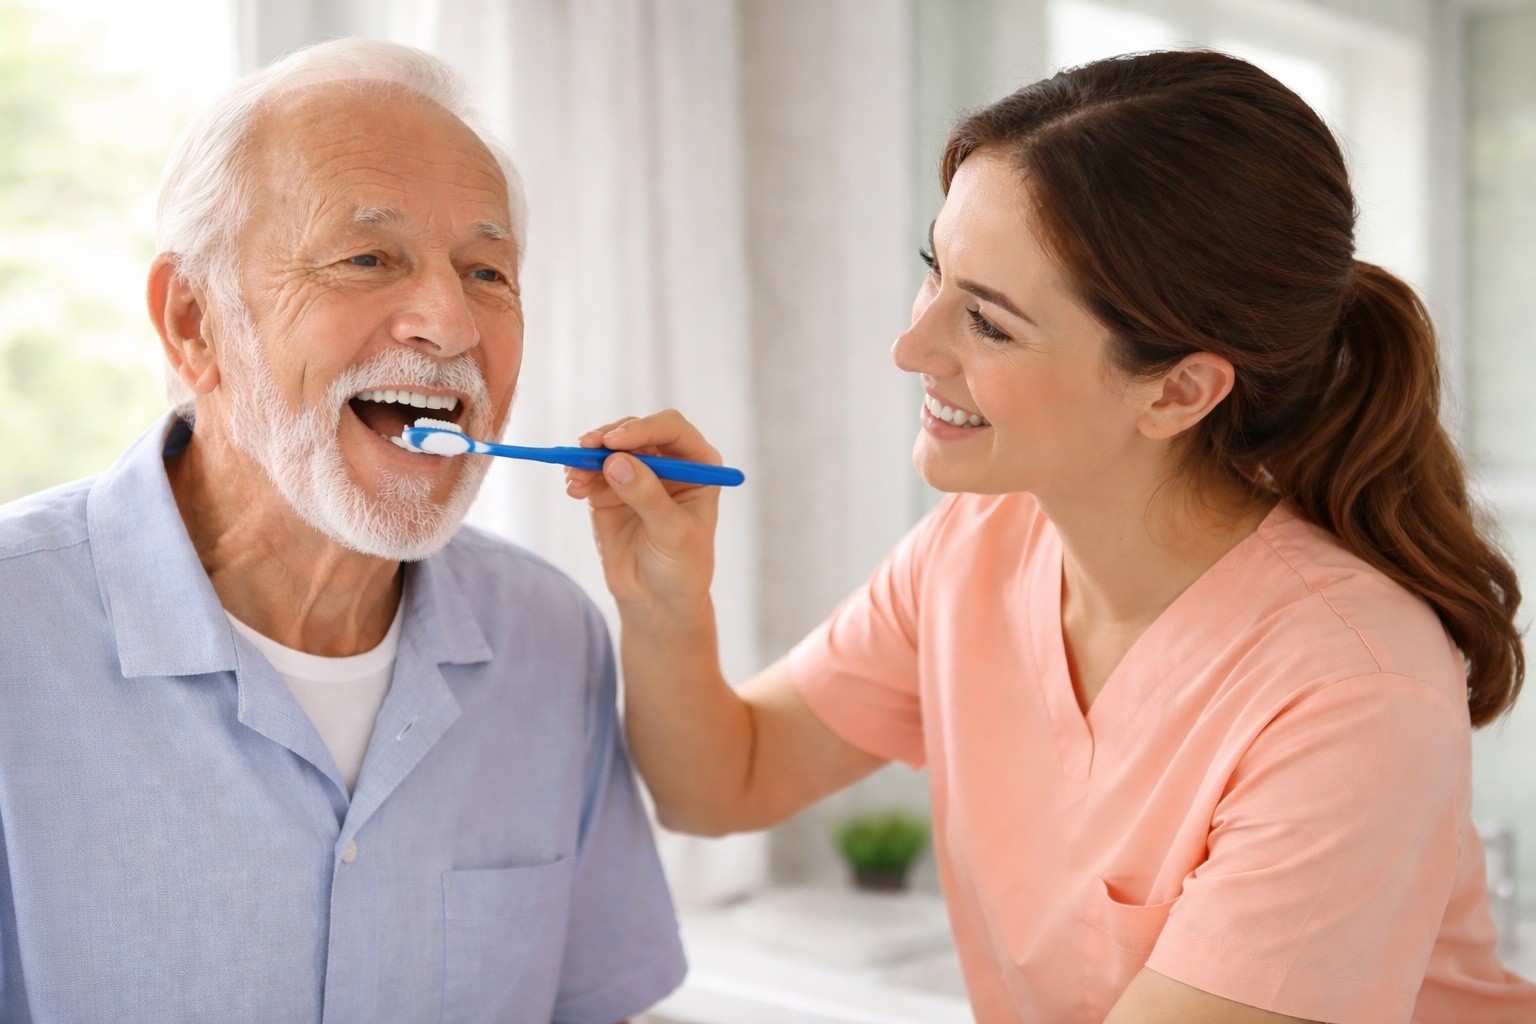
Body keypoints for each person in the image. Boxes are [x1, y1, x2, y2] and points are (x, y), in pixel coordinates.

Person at [565, 49, 1536, 1024]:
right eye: (934, 272)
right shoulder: (977, 547)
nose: (911, 348)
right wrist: (664, 599)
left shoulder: (1353, 693)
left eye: (988, 323)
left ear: (1179, 390)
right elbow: (721, 784)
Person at [0, 38, 684, 1024]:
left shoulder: (552, 635)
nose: (451, 325)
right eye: (367, 258)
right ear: (193, 322)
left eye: (488, 271)